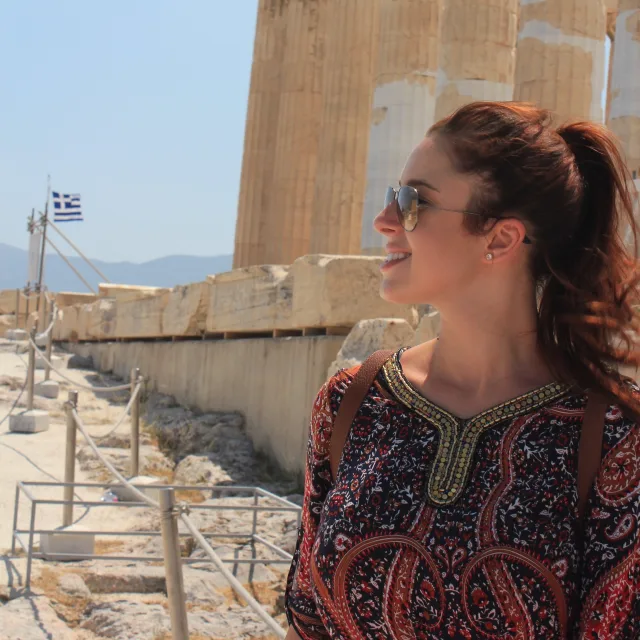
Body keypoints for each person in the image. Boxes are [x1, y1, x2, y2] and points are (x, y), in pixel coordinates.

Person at [283, 102, 640, 639]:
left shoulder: (614, 437)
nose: (383, 221)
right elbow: (308, 620)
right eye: (390, 197)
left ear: (499, 239)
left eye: (412, 202)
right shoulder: (350, 402)